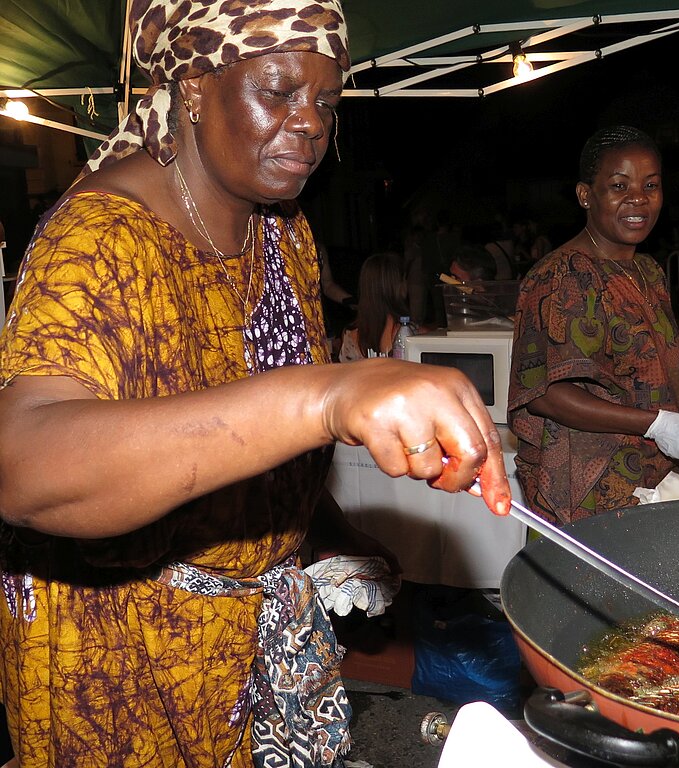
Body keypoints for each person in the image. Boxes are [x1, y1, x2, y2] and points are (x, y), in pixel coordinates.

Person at [0, 3, 510, 767]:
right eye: (278, 93)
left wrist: (327, 532)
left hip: (241, 646)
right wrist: (328, 396)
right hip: (118, 657)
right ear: (196, 90)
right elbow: (22, 468)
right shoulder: (102, 239)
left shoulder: (281, 229)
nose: (309, 124)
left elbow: (259, 434)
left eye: (326, 103)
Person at [508, 125, 679, 526]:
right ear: (586, 195)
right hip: (585, 495)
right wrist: (656, 423)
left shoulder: (647, 270)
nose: (638, 197)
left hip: (646, 481)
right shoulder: (563, 276)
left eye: (651, 185)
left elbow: (636, 365)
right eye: (619, 185)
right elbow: (546, 394)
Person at [338, 251, 409, 361]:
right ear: (396, 286)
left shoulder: (350, 336)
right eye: (404, 279)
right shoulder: (406, 332)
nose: (407, 284)